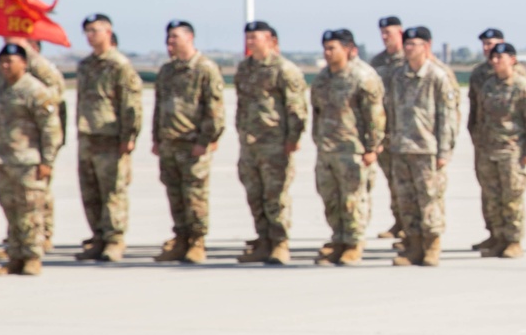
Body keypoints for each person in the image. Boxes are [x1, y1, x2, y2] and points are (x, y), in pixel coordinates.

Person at [233, 21, 309, 265]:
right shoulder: (245, 69)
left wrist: (292, 139)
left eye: (255, 37)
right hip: (250, 144)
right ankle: (263, 241)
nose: (250, 42)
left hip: (275, 144)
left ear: (271, 40)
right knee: (255, 195)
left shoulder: (284, 69)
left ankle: (280, 243)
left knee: (276, 197)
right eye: (248, 38)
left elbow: (296, 108)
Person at [385, 25, 459, 266]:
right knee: (407, 201)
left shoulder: (437, 76)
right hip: (401, 148)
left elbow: (447, 117)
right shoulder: (398, 76)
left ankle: (431, 246)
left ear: (426, 47)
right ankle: (413, 245)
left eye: (413, 44)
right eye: (405, 43)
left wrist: (444, 152)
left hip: (427, 149)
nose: (407, 48)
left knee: (429, 201)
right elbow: (391, 112)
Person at [309, 29, 385, 265]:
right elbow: (317, 111)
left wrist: (373, 146)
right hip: (327, 148)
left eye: (333, 48)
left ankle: (354, 243)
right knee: (331, 199)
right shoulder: (323, 78)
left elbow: (374, 115)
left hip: (353, 149)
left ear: (348, 49)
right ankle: (338, 239)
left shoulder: (363, 77)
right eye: (326, 48)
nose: (328, 53)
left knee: (353, 199)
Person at [153, 20, 226, 264]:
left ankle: (197, 241)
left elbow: (214, 110)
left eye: (174, 37)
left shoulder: (205, 69)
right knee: (175, 195)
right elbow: (160, 107)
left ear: (189, 38)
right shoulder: (167, 71)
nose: (169, 42)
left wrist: (205, 141)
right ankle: (181, 239)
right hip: (169, 143)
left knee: (195, 196)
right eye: (168, 38)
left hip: (192, 144)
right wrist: (156, 138)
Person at [73, 13, 144, 262]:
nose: (91, 36)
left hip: (110, 138)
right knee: (90, 192)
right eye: (87, 31)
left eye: (95, 30)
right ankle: (98, 237)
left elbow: (131, 104)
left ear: (108, 32)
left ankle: (114, 240)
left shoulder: (119, 66)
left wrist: (129, 136)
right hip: (88, 136)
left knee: (113, 192)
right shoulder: (86, 65)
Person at [0, 43, 61, 276]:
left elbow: (50, 129)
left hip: (29, 161)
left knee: (30, 211)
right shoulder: (1, 90)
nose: (6, 66)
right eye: (3, 62)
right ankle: (15, 256)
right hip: (7, 161)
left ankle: (32, 256)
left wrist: (47, 161)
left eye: (11, 62)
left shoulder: (35, 90)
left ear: (24, 63)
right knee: (11, 210)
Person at [467, 40, 526, 257]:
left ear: (512, 59)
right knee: (492, 198)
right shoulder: (488, 86)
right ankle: (498, 239)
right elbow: (479, 118)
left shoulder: (523, 87)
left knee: (511, 199)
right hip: (488, 151)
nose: (495, 60)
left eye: (500, 56)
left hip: (512, 152)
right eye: (493, 57)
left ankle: (513, 241)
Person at [371, 15, 408, 247]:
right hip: (385, 132)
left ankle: (410, 226)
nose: (385, 37)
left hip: (407, 132)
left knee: (408, 182)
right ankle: (399, 222)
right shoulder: (378, 62)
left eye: (390, 33)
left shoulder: (411, 58)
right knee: (393, 181)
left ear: (400, 33)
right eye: (383, 33)